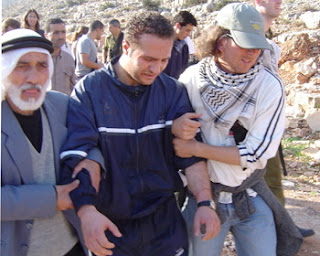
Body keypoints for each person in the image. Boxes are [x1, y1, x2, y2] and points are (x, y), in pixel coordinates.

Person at [60, 11, 220, 256]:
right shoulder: (90, 91)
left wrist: (205, 203)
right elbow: (79, 157)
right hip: (111, 222)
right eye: (148, 59)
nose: (156, 69)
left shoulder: (172, 91)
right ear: (126, 46)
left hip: (164, 221)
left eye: (164, 61)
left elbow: (190, 154)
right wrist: (86, 211)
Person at [172, 3, 302, 256]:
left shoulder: (268, 86)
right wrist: (176, 127)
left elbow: (256, 153)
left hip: (249, 195)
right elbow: (170, 133)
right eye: (244, 43)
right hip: (204, 198)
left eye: (257, 45)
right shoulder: (191, 79)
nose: (252, 52)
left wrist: (196, 148)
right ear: (221, 42)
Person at [1, 28, 104, 256]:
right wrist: (52, 199)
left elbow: (89, 141)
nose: (34, 77)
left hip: (71, 244)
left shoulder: (61, 104)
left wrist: (94, 163)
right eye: (21, 65)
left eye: (42, 65)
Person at [253, 0, 315, 238]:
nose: (280, 1)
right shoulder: (248, 39)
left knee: (273, 179)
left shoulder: (269, 42)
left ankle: (283, 227)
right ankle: (274, 233)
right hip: (252, 127)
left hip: (270, 123)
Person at [163, 11, 197, 79]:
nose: (188, 34)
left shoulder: (183, 46)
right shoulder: (161, 42)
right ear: (178, 25)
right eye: (187, 30)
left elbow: (183, 71)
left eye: (190, 31)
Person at [45, 18, 76, 95]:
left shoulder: (69, 59)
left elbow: (73, 86)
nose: (61, 36)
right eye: (56, 33)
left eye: (63, 32)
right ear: (46, 35)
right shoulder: (39, 59)